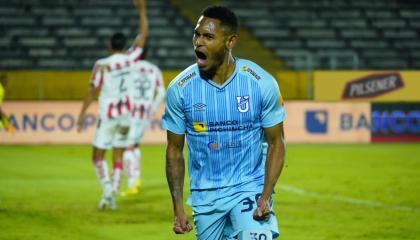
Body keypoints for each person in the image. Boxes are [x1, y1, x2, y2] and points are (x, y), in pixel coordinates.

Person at [162, 5, 286, 240]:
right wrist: (177, 206)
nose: (198, 42)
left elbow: (277, 142)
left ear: (230, 42)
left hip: (249, 188)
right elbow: (174, 150)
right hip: (205, 196)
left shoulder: (260, 83)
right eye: (196, 34)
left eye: (208, 36)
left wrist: (265, 195)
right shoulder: (180, 89)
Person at [76, 0, 148, 210]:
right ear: (125, 47)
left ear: (110, 45)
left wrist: (81, 115)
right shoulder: (131, 59)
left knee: (97, 156)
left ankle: (107, 189)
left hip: (108, 117)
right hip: (127, 117)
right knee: (118, 155)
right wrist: (142, 12)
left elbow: (92, 91)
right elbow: (143, 37)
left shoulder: (102, 65)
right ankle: (112, 195)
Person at [122, 46, 166, 196]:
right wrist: (152, 109)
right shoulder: (154, 70)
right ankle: (137, 179)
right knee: (134, 146)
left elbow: (122, 90)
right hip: (144, 113)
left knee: (127, 148)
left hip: (130, 113)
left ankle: (132, 184)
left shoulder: (129, 68)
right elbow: (161, 92)